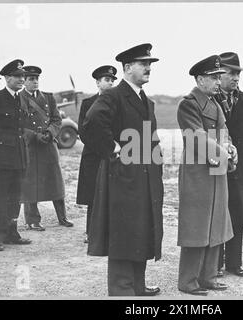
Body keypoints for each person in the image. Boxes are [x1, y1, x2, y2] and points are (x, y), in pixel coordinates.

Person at [83, 43, 163, 296]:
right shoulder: (113, 95)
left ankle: (137, 285)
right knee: (123, 231)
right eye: (144, 64)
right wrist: (114, 149)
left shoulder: (145, 100)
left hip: (145, 176)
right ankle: (121, 289)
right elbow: (92, 123)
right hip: (123, 177)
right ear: (128, 68)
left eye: (150, 64)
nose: (149, 68)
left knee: (140, 229)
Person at [177, 55, 235, 296]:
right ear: (200, 79)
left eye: (218, 77)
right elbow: (197, 136)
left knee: (216, 224)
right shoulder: (188, 104)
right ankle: (188, 281)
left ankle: (208, 277)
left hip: (216, 170)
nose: (217, 82)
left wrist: (231, 148)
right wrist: (224, 154)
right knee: (196, 226)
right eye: (213, 78)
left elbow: (224, 133)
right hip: (198, 173)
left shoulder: (215, 103)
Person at [214, 52, 243, 277]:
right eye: (231, 73)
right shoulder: (209, 101)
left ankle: (235, 263)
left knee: (238, 215)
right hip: (216, 168)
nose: (236, 78)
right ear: (219, 74)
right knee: (218, 213)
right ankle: (216, 264)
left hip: (241, 170)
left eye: (238, 73)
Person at [20, 65, 73, 230]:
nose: (35, 82)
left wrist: (50, 133)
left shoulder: (48, 98)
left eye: (36, 79)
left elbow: (57, 120)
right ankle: (32, 220)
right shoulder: (18, 99)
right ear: (24, 81)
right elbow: (17, 124)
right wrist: (34, 135)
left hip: (48, 145)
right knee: (30, 183)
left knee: (55, 180)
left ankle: (62, 217)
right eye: (31, 79)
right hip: (30, 146)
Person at [0, 59, 32, 251]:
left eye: (23, 76)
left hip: (20, 154)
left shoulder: (22, 98)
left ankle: (12, 233)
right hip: (2, 155)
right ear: (7, 78)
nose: (22, 79)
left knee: (15, 196)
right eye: (17, 76)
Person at [76, 65, 117, 243]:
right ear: (97, 82)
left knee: (113, 193)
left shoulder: (118, 102)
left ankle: (111, 232)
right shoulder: (88, 103)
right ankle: (91, 232)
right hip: (94, 156)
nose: (110, 83)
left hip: (114, 155)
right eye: (107, 80)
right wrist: (104, 148)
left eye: (112, 80)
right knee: (93, 194)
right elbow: (83, 132)